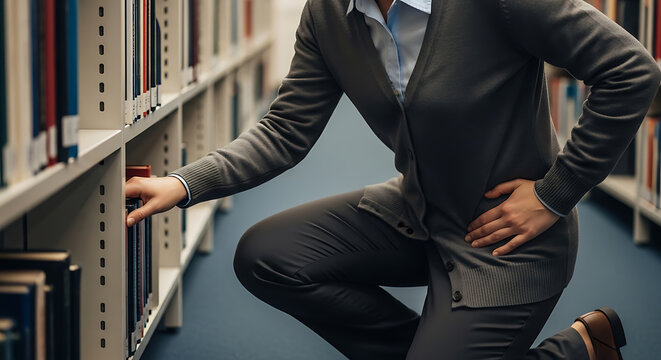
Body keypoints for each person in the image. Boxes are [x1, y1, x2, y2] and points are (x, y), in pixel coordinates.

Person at [126, 0, 661, 358]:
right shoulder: (329, 14)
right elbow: (285, 129)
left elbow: (631, 71)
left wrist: (555, 193)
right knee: (267, 257)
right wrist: (183, 184)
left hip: (505, 238)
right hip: (416, 211)